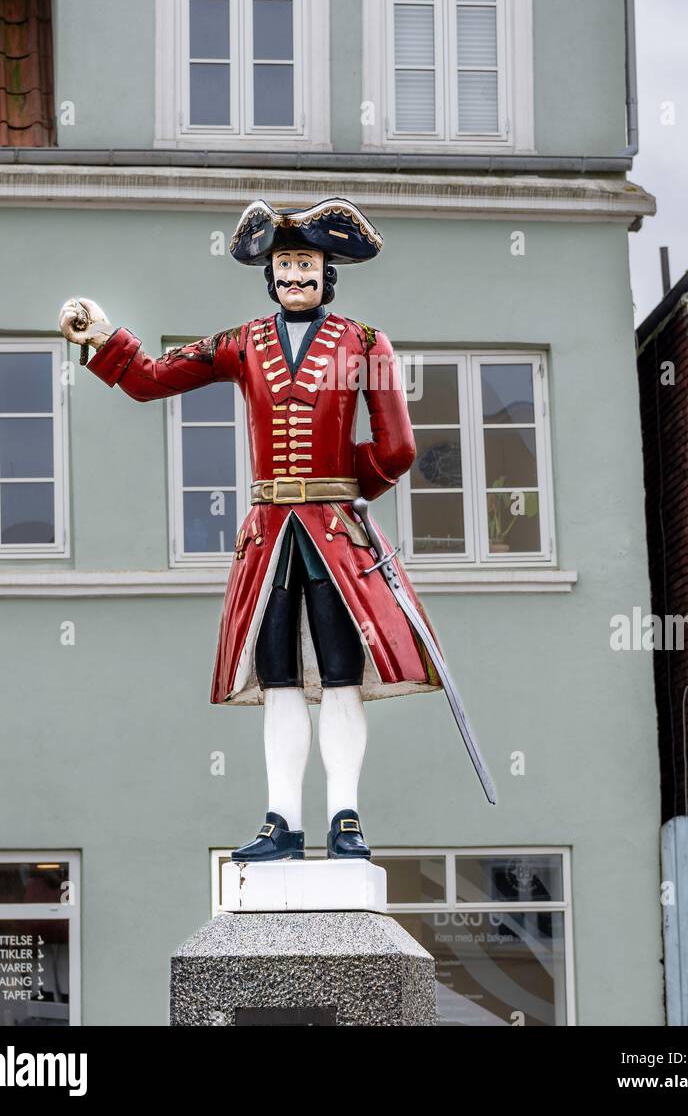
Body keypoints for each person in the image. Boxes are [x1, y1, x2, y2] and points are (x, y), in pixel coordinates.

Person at [58, 198, 441, 862]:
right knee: (278, 678)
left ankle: (346, 818)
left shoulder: (367, 342)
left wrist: (349, 494)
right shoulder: (240, 343)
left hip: (333, 532)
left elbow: (399, 447)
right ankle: (282, 821)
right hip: (269, 535)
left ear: (328, 272)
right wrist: (103, 337)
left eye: (306, 263)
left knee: (342, 675)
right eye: (285, 264)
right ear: (271, 275)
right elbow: (151, 380)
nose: (295, 275)